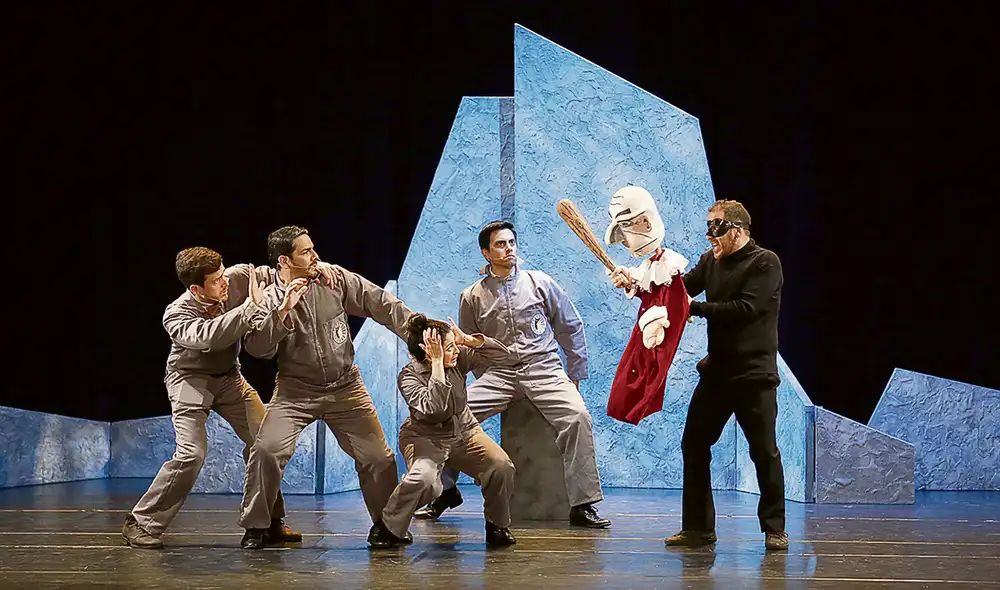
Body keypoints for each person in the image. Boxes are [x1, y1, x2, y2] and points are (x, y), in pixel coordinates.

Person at [121, 246, 331, 549]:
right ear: (196, 288)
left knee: (267, 443)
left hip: (230, 378)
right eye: (216, 280)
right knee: (191, 454)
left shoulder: (233, 278)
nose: (224, 283)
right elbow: (210, 337)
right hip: (190, 380)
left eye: (223, 275)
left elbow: (272, 273)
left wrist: (310, 270)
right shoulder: (176, 314)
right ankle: (141, 521)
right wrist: (248, 309)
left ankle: (268, 522)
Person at [414, 220, 611, 529]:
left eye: (511, 243)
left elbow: (570, 325)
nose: (508, 249)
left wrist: (574, 372)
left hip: (544, 369)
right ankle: (445, 491)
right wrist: (485, 378)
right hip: (500, 375)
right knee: (448, 416)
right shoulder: (472, 296)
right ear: (486, 253)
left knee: (578, 417)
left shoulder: (539, 283)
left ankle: (582, 504)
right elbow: (468, 346)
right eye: (500, 245)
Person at [238, 225, 415, 549]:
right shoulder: (270, 297)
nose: (315, 256)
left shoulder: (333, 279)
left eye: (313, 248)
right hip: (296, 391)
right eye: (306, 252)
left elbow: (378, 301)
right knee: (266, 450)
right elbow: (257, 349)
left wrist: (414, 327)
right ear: (284, 260)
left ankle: (389, 526)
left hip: (346, 387)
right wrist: (283, 310)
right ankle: (258, 526)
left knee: (379, 457)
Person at [663, 199, 788, 551]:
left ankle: (774, 529)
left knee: (764, 452)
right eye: (709, 225)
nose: (709, 235)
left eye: (716, 226)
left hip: (754, 375)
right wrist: (643, 285)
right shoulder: (710, 261)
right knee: (695, 443)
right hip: (717, 373)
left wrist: (695, 309)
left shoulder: (765, 262)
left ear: (736, 229)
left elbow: (747, 309)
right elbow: (680, 290)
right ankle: (698, 529)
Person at [371, 314, 517, 548]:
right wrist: (438, 364)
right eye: (449, 348)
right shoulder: (408, 377)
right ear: (428, 352)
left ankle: (497, 526)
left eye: (453, 346)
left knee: (500, 465)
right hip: (425, 438)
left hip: (465, 431)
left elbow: (504, 356)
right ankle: (388, 528)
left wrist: (468, 340)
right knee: (426, 481)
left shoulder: (458, 358)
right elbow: (434, 407)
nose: (455, 351)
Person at [605, 185, 692, 425]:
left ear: (645, 222)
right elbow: (647, 286)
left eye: (628, 227)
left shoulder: (669, 267)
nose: (623, 241)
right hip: (647, 321)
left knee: (647, 368)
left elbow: (671, 301)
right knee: (632, 370)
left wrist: (657, 323)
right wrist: (628, 278)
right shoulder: (655, 266)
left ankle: (636, 405)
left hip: (656, 324)